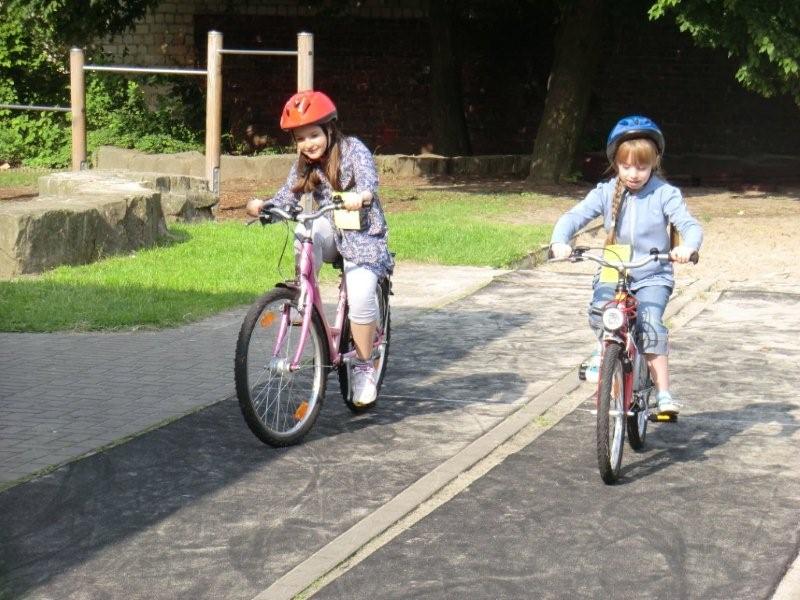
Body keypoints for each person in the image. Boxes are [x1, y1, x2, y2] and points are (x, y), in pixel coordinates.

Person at [246, 90, 393, 407]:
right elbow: (287, 196)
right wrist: (265, 207)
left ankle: (364, 366)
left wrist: (362, 196)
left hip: (363, 235)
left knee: (361, 293)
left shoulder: (353, 150)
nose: (308, 144)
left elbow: (368, 182)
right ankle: (305, 299)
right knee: (304, 229)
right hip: (332, 228)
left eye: (313, 135)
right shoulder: (304, 165)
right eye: (300, 138)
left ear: (329, 129)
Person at [549, 115, 703, 415]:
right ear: (615, 163)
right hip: (614, 265)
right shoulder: (605, 192)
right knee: (601, 311)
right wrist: (559, 241)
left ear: (654, 163)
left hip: (652, 271)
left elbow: (690, 225)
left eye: (641, 167)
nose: (633, 174)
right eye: (626, 166)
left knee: (649, 325)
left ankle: (663, 393)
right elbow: (574, 217)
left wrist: (688, 247)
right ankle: (604, 353)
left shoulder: (665, 194)